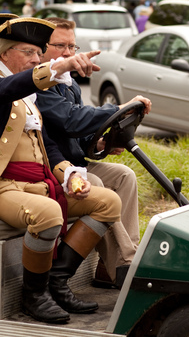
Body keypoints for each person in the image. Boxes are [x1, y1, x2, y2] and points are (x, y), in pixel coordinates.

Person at [0, 14, 122, 324]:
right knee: (47, 213)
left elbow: (47, 146)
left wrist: (70, 176)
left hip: (38, 183)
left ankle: (58, 281)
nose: (36, 59)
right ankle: (34, 294)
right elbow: (13, 86)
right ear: (4, 52)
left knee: (108, 202)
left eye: (38, 53)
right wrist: (62, 65)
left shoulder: (27, 94)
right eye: (28, 52)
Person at [35, 17, 152, 288]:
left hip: (75, 162)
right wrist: (118, 107)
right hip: (52, 168)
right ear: (42, 48)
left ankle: (107, 266)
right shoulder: (38, 84)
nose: (67, 54)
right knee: (97, 184)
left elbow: (79, 132)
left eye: (72, 47)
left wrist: (99, 143)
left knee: (124, 175)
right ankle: (125, 264)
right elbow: (69, 120)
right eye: (60, 46)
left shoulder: (69, 84)